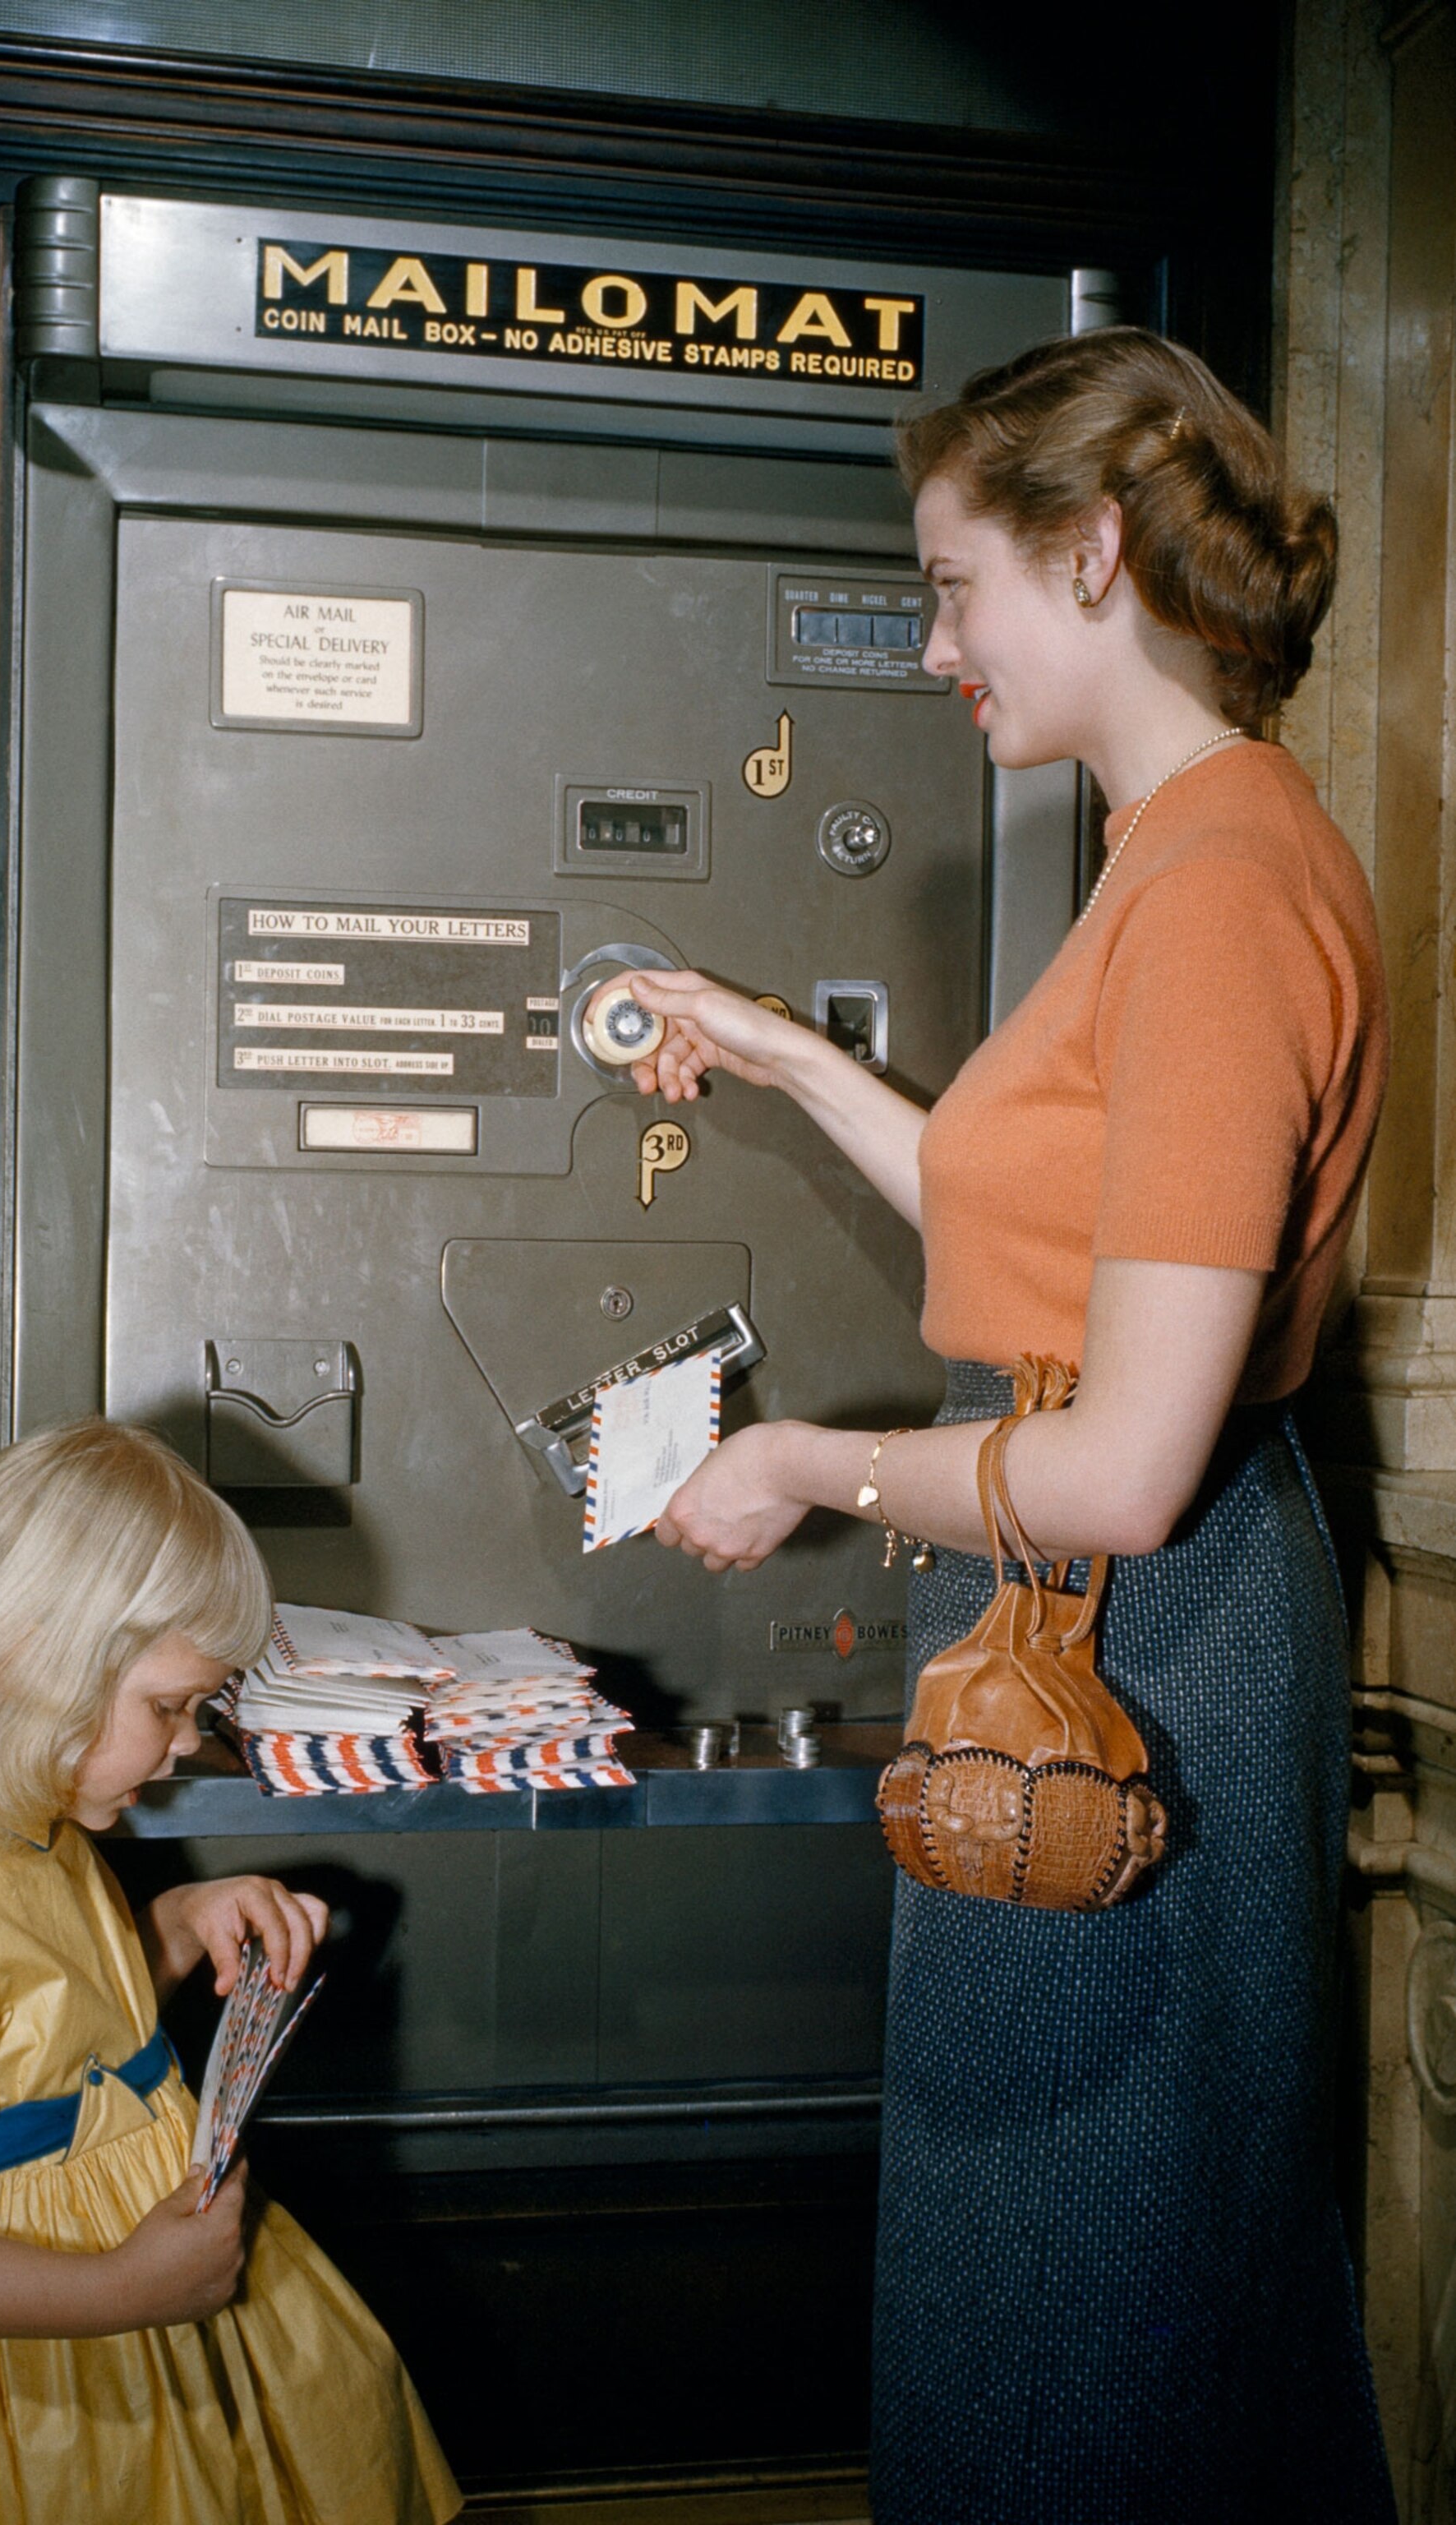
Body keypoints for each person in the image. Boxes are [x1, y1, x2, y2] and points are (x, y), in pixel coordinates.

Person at [624, 328, 1396, 2523]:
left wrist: (803, 1464)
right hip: (1107, 1612)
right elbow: (1032, 1233)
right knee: (1082, 2273)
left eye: (954, 586)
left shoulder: (1216, 891)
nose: (935, 643)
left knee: (1091, 2292)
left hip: (1126, 1622)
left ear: (1094, 553)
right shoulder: (1188, 851)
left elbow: (1121, 1464)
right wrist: (779, 1051)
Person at [0, 1419, 461, 2525]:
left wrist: (174, 1927)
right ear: (29, 1658)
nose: (186, 1742)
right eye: (170, 1706)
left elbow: (49, 2038)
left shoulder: (25, 1818)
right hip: (7, 2387)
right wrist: (118, 2289)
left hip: (127, 2317)